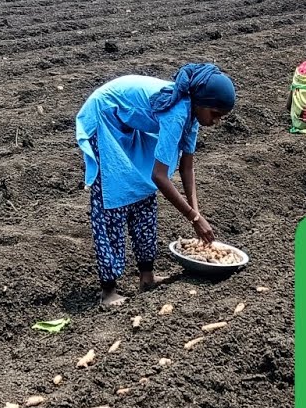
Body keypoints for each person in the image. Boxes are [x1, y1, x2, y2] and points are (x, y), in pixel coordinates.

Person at [76, 63, 236, 308]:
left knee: (143, 195)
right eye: (215, 114)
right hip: (106, 116)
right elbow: (160, 176)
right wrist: (193, 218)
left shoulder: (192, 114)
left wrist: (197, 214)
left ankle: (147, 278)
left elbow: (187, 167)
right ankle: (108, 291)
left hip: (130, 123)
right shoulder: (177, 113)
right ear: (201, 102)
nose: (216, 121)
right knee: (113, 200)